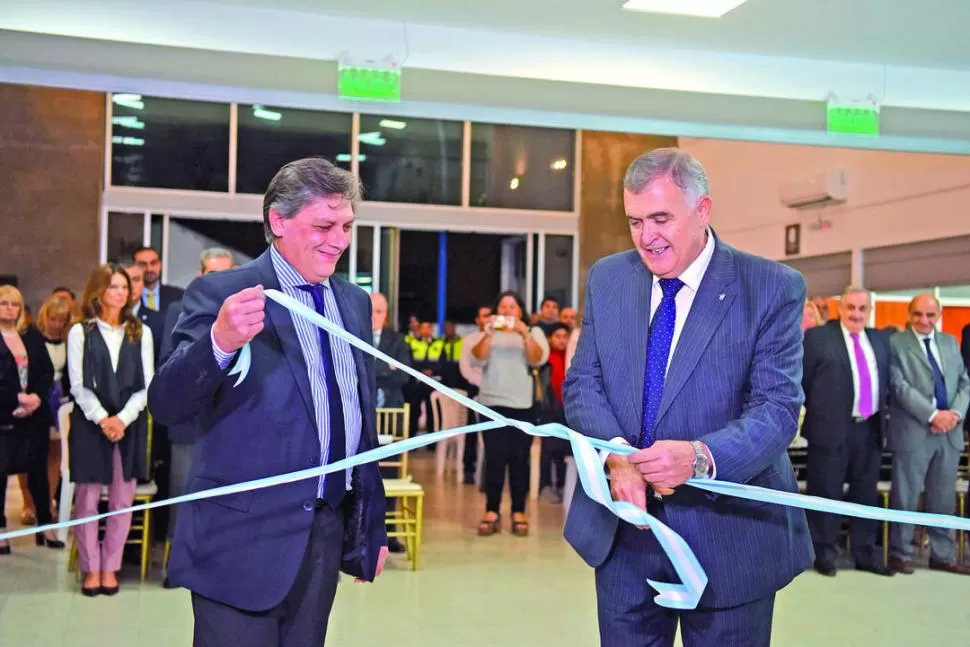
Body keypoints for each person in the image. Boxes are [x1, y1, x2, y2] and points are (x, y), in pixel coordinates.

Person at [563, 148, 812, 646]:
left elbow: (777, 409)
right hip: (625, 536)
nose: (646, 237)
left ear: (703, 211)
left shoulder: (770, 287)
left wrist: (700, 457)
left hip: (730, 542)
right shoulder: (610, 279)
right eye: (634, 221)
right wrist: (615, 454)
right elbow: (583, 383)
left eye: (661, 219)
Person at [147, 158, 388, 647]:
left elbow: (359, 423)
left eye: (345, 226)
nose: (338, 240)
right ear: (278, 222)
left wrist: (370, 527)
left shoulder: (354, 303)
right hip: (237, 543)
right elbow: (167, 403)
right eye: (323, 225)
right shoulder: (220, 292)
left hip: (321, 538)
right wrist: (219, 340)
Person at [68, 264, 154, 596]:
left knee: (122, 500)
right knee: (87, 502)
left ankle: (111, 567)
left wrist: (123, 419)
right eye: (113, 286)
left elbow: (146, 385)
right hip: (91, 426)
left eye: (123, 287)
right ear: (98, 291)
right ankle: (91, 568)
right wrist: (104, 418)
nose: (120, 292)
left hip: (128, 426)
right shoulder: (81, 332)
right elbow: (77, 384)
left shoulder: (140, 332)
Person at [802, 286, 894, 577]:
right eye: (850, 308)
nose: (856, 314)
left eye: (862, 309)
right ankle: (824, 553)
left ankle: (865, 553)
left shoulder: (880, 341)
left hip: (869, 429)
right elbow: (802, 383)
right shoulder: (817, 339)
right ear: (840, 309)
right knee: (825, 492)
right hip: (829, 432)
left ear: (869, 311)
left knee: (865, 494)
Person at [157, 247, 234, 589]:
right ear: (201, 276)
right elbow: (168, 367)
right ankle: (176, 564)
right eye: (214, 274)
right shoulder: (179, 310)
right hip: (188, 424)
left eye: (227, 273)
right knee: (182, 496)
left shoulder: (247, 313)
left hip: (231, 425)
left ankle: (217, 562)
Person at [887, 294, 970, 575]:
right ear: (909, 314)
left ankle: (942, 554)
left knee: (943, 497)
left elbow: (964, 383)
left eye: (930, 315)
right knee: (905, 496)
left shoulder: (949, 341)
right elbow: (899, 387)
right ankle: (901, 553)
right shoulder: (896, 343)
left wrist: (953, 415)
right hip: (914, 431)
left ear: (939, 315)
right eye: (918, 315)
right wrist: (934, 416)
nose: (924, 321)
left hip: (949, 434)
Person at [470, 291, 549, 537]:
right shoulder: (487, 333)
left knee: (519, 459)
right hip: (490, 404)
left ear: (521, 311)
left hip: (522, 405)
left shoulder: (533, 332)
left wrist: (524, 333)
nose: (507, 311)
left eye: (512, 307)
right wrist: (488, 332)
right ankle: (491, 510)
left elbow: (537, 360)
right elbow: (477, 358)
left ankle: (518, 512)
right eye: (502, 306)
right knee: (494, 458)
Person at [0, 285, 60, 555]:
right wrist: (16, 399)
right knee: (0, 474)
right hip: (4, 414)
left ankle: (45, 526)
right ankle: (1, 531)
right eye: (4, 303)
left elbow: (46, 370)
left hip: (34, 415)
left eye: (14, 304)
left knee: (38, 472)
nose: (9, 309)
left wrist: (35, 396)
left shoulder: (30, 334)